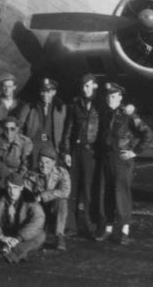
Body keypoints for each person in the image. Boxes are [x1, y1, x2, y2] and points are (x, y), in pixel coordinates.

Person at [94, 82, 152, 245]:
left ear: (120, 97)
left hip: (121, 160)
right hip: (107, 158)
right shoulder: (105, 113)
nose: (110, 99)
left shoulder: (128, 114)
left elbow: (147, 133)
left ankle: (124, 231)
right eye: (108, 96)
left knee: (122, 195)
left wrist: (134, 151)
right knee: (107, 194)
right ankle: (108, 229)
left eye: (113, 96)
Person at [0, 172, 46, 264]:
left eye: (15, 188)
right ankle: (11, 252)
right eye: (9, 187)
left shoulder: (29, 200)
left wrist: (19, 238)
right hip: (2, 234)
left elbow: (38, 219)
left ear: (21, 188)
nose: (12, 192)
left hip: (20, 235)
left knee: (41, 235)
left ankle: (1, 255)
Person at [62, 73, 101, 237]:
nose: (86, 89)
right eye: (84, 86)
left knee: (89, 190)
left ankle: (91, 227)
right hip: (76, 151)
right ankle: (71, 226)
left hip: (91, 152)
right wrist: (66, 151)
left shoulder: (101, 105)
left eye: (89, 85)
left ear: (95, 86)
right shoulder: (75, 104)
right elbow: (68, 129)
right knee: (73, 190)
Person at [24, 146, 71, 251]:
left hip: (55, 208)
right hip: (39, 208)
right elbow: (27, 194)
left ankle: (59, 236)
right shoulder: (31, 175)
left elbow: (65, 191)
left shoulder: (62, 172)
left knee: (62, 202)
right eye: (41, 162)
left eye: (47, 162)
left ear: (54, 163)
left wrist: (43, 195)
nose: (44, 165)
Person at [21, 78, 67, 169]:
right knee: (33, 170)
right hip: (34, 146)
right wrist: (25, 142)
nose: (45, 95)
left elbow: (66, 129)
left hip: (52, 146)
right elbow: (19, 126)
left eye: (48, 91)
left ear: (54, 92)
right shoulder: (30, 107)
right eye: (43, 91)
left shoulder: (60, 109)